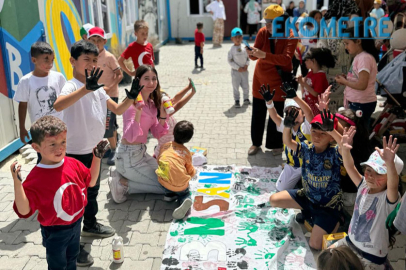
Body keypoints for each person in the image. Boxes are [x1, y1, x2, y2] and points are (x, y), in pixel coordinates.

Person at [53, 40, 140, 266]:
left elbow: (118, 109)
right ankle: (76, 248)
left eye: (94, 60)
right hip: (73, 155)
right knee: (75, 202)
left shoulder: (98, 89)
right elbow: (59, 104)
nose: (91, 64)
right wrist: (85, 89)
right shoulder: (72, 86)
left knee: (92, 192)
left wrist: (131, 96)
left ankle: (90, 226)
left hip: (94, 153)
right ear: (73, 61)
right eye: (86, 60)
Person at [11, 116, 108, 270]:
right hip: (55, 231)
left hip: (76, 224)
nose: (60, 148)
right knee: (58, 265)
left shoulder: (73, 163)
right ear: (36, 147)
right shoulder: (36, 178)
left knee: (72, 259)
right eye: (52, 144)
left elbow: (90, 182)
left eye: (63, 142)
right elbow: (24, 211)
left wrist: (96, 158)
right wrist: (18, 184)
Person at [270, 110, 343, 250]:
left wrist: (333, 130)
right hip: (308, 197)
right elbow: (287, 142)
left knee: (315, 245)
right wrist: (287, 126)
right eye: (314, 131)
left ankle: (338, 220)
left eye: (323, 133)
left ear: (331, 137)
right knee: (274, 199)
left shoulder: (335, 152)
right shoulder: (306, 148)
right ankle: (309, 214)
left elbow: (344, 147)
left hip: (328, 207)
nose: (317, 136)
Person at [332, 131, 403, 270]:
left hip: (371, 256)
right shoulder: (363, 185)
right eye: (369, 170)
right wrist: (345, 150)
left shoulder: (389, 198)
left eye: (379, 173)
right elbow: (350, 167)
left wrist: (390, 164)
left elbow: (393, 184)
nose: (371, 176)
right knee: (325, 258)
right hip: (349, 242)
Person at [108, 65, 169, 203]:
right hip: (128, 156)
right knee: (166, 188)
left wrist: (163, 117)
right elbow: (129, 136)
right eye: (146, 79)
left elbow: (158, 134)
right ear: (138, 81)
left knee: (167, 179)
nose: (151, 83)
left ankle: (120, 173)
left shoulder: (152, 104)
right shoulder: (130, 105)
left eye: (154, 79)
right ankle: (122, 183)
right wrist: (138, 112)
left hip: (141, 153)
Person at [245, 4, 298, 156]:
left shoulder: (291, 36)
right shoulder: (263, 32)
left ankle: (276, 144)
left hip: (279, 81)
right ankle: (255, 143)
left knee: (277, 114)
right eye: (266, 23)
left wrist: (264, 55)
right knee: (258, 113)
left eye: (270, 23)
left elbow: (286, 59)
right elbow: (256, 54)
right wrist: (251, 53)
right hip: (260, 80)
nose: (267, 26)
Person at [258, 82, 314, 191]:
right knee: (280, 189)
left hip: (308, 167)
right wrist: (269, 102)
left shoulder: (307, 127)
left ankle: (301, 184)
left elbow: (309, 113)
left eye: (295, 111)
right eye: (288, 112)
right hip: (292, 166)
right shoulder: (286, 125)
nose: (291, 113)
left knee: (310, 192)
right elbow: (274, 115)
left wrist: (295, 97)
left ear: (302, 113)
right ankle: (297, 183)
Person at [13, 42, 66, 144]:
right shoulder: (26, 81)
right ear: (34, 60)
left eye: (52, 60)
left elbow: (66, 100)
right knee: (43, 156)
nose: (50, 64)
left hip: (60, 128)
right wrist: (22, 128)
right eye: (46, 60)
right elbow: (23, 105)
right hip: (40, 132)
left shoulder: (59, 77)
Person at [88, 27, 123, 166]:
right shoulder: (89, 57)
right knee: (100, 124)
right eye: (92, 40)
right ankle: (110, 145)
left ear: (104, 41)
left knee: (108, 126)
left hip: (110, 96)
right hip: (95, 97)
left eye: (99, 40)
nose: (96, 43)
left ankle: (114, 150)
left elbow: (119, 75)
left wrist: (110, 87)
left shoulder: (109, 57)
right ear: (88, 40)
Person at [335, 25, 379, 123]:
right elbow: (359, 79)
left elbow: (362, 85)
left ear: (358, 41)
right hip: (358, 102)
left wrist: (345, 82)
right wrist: (347, 79)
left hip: (361, 103)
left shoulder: (364, 58)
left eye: (347, 43)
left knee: (358, 133)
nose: (345, 47)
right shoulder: (360, 57)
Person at [156, 121, 196, 220]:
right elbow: (190, 171)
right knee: (185, 192)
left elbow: (159, 160)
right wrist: (192, 174)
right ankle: (184, 200)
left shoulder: (165, 146)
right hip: (180, 186)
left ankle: (169, 195)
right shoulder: (186, 152)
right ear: (189, 139)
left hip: (164, 183)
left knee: (166, 175)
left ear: (173, 133)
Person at [154, 78, 196, 158]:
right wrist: (191, 93)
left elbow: (176, 98)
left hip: (165, 149)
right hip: (167, 152)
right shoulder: (164, 116)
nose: (170, 98)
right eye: (167, 99)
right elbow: (179, 104)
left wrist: (189, 87)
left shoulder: (163, 112)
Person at [299, 48, 336, 116]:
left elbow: (316, 93)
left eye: (307, 60)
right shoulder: (310, 73)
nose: (305, 62)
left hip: (315, 109)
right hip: (308, 106)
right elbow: (305, 89)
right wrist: (302, 83)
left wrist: (303, 83)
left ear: (314, 61)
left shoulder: (320, 76)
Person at [228, 27, 250, 108]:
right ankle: (237, 100)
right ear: (232, 39)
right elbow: (230, 61)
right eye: (235, 37)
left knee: (246, 86)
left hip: (244, 71)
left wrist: (246, 65)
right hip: (236, 72)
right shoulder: (231, 49)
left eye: (239, 37)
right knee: (235, 86)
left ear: (242, 37)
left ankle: (246, 99)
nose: (237, 39)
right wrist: (237, 68)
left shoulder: (245, 47)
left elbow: (248, 58)